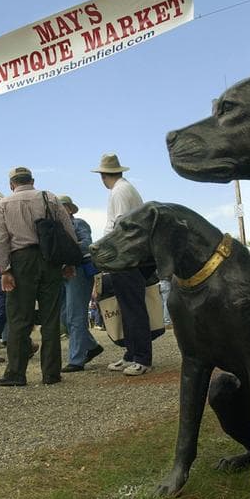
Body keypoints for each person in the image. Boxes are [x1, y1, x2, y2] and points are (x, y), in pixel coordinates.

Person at [0, 167, 76, 386]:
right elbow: (68, 231)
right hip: (50, 259)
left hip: (21, 261)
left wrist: (5, 270)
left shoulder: (4, 203)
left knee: (19, 318)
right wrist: (68, 262)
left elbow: (0, 240)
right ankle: (51, 373)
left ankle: (16, 373)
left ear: (11, 184)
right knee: (50, 318)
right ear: (33, 180)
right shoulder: (50, 198)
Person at [93, 153, 153, 376]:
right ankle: (132, 353)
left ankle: (142, 357)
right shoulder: (125, 188)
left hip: (125, 256)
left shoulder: (119, 191)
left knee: (133, 307)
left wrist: (106, 251)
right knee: (128, 307)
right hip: (128, 256)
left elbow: (120, 225)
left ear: (103, 175)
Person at [56, 195, 104, 372]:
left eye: (62, 207)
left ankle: (76, 360)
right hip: (63, 273)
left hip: (78, 270)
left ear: (69, 209)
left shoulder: (79, 224)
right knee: (65, 315)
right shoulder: (57, 227)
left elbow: (87, 244)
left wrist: (66, 250)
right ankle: (91, 346)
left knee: (75, 316)